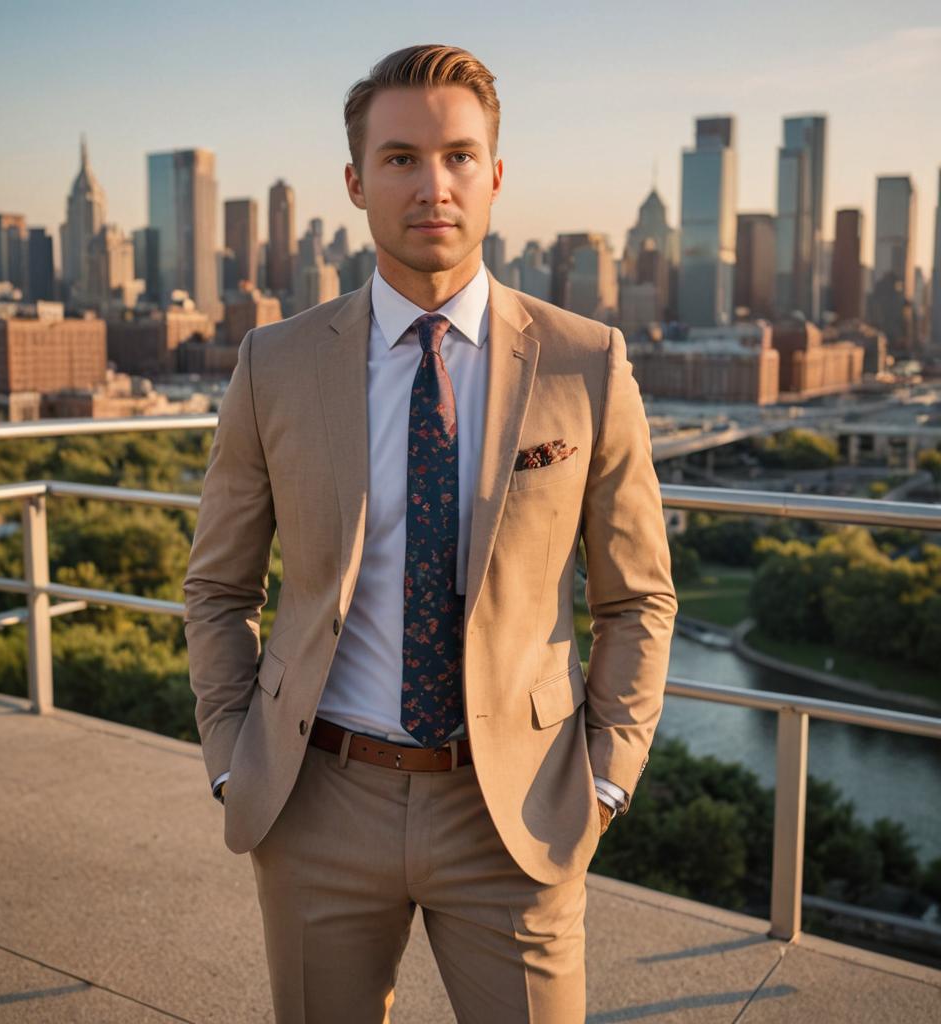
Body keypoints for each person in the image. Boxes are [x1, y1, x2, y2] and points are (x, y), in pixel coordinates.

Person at [183, 42, 677, 1024]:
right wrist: (234, 756)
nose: (433, 184)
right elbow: (219, 586)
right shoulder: (273, 362)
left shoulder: (585, 361)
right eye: (402, 158)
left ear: (494, 177)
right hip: (317, 797)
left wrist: (608, 781)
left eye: (458, 156)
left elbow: (637, 594)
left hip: (516, 813)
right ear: (357, 183)